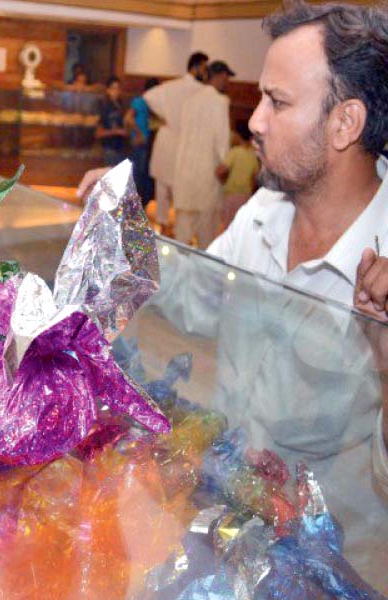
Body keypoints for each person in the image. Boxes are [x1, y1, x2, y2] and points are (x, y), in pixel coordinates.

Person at [80, 1, 388, 582]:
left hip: (329, 567)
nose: (255, 121)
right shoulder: (264, 213)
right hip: (228, 516)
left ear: (345, 123)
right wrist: (126, 233)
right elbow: (195, 299)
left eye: (279, 102)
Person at [143, 51, 208, 231]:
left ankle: (162, 225)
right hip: (183, 143)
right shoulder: (201, 91)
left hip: (166, 139)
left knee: (162, 188)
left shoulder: (171, 86)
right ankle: (179, 228)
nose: (206, 72)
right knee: (180, 190)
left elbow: (148, 96)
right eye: (204, 68)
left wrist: (164, 115)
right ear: (195, 68)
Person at [172, 60, 235, 248]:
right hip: (207, 174)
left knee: (181, 238)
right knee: (206, 238)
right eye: (226, 77)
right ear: (220, 76)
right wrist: (226, 163)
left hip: (184, 172)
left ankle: (175, 274)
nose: (227, 82)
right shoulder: (220, 101)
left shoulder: (189, 101)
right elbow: (222, 139)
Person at [216, 120, 260, 229]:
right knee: (239, 227)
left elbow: (220, 170)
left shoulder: (235, 152)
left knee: (227, 227)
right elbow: (254, 179)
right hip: (246, 197)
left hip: (232, 195)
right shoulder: (253, 155)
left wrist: (222, 181)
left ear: (237, 135)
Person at [125, 77, 159, 204]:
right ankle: (134, 205)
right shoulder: (140, 101)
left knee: (140, 174)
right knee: (138, 175)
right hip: (140, 142)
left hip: (144, 142)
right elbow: (128, 118)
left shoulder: (148, 102)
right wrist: (138, 133)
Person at [95, 76, 127, 167]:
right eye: (113, 88)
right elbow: (98, 133)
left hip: (120, 147)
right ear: (108, 90)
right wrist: (117, 131)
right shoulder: (104, 107)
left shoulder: (120, 104)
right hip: (110, 148)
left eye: (118, 88)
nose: (116, 91)